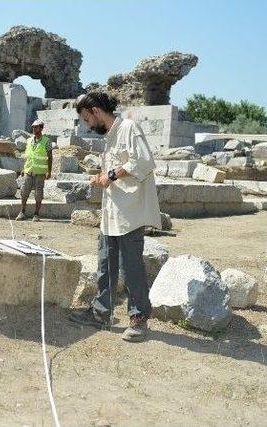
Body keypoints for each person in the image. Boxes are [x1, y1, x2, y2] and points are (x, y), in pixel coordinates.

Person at [68, 92, 161, 342]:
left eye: (87, 119)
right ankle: (101, 313)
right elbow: (116, 173)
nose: (88, 125)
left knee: (132, 268)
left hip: (130, 212)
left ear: (96, 111)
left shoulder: (129, 127)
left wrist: (110, 174)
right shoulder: (109, 138)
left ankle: (139, 318)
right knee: (105, 264)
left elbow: (143, 161)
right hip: (112, 211)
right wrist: (101, 178)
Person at [16, 119, 53, 222]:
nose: (33, 129)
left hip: (40, 173)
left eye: (36, 127)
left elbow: (50, 157)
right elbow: (28, 156)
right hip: (29, 170)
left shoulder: (47, 141)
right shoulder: (29, 140)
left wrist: (49, 171)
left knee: (38, 194)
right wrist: (23, 169)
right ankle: (22, 212)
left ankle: (36, 214)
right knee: (24, 192)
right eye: (33, 127)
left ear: (41, 128)